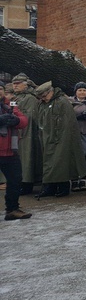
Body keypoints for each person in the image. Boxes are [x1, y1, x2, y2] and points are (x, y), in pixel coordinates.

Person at [34, 81, 86, 198]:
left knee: (60, 162)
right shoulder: (44, 103)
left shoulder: (62, 102)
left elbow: (67, 123)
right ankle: (50, 187)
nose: (43, 99)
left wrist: (58, 137)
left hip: (61, 138)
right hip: (48, 137)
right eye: (41, 97)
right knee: (50, 163)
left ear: (51, 92)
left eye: (44, 96)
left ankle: (63, 187)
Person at [0, 85, 32, 220]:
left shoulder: (10, 104)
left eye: (0, 88)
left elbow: (24, 119)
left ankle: (12, 209)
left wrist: (17, 120)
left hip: (10, 151)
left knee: (15, 180)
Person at [10, 73, 43, 195]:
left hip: (27, 133)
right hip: (17, 132)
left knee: (27, 158)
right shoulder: (16, 98)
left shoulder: (29, 98)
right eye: (14, 84)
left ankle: (27, 184)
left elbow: (31, 117)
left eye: (18, 84)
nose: (15, 86)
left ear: (25, 85)